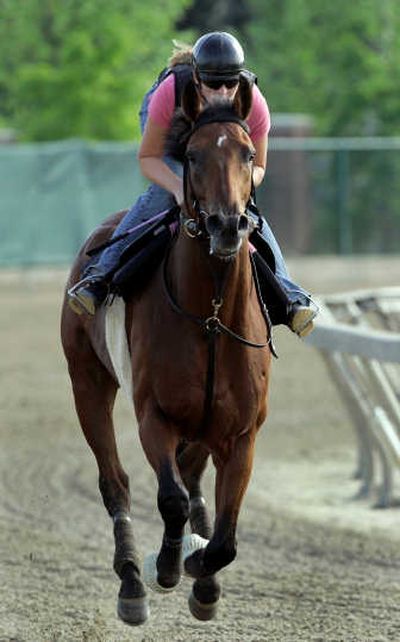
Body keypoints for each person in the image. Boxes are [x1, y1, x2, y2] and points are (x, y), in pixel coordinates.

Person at [68, 31, 317, 337]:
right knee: (163, 196)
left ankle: (290, 296)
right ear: (197, 80)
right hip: (173, 127)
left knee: (244, 209)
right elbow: (149, 158)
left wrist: (238, 184)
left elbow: (259, 166)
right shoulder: (171, 91)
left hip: (224, 147)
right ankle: (98, 278)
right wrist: (176, 187)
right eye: (214, 83)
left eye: (231, 83)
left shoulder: (255, 103)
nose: (224, 91)